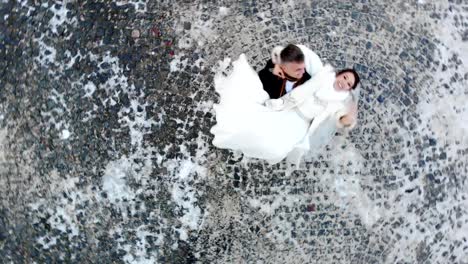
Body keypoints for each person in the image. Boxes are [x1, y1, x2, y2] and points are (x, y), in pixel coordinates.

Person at [210, 45, 360, 164]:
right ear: (339, 74)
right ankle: (236, 137)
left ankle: (255, 149)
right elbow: (304, 53)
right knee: (257, 124)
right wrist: (280, 59)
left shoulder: (338, 104)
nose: (344, 82)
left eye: (349, 83)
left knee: (277, 147)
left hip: (301, 124)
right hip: (289, 107)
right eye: (345, 77)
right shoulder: (323, 74)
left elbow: (340, 119)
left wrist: (349, 118)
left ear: (349, 89)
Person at [258, 44, 323, 99]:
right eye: (298, 70)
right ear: (284, 68)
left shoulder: (308, 80)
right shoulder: (267, 77)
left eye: (303, 67)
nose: (303, 72)